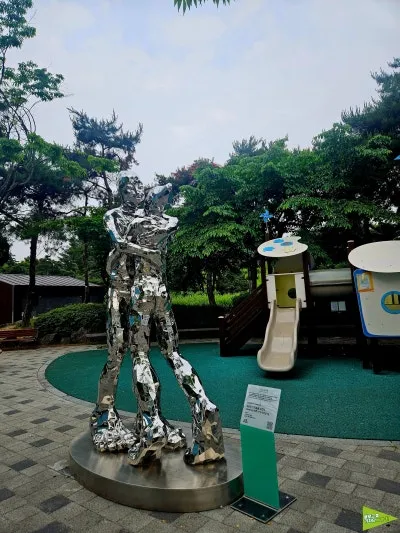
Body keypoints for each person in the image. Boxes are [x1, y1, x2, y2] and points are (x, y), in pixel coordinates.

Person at [90, 175, 225, 466]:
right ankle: (105, 414)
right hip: (121, 291)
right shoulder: (116, 216)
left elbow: (124, 246)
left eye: (139, 188)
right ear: (121, 191)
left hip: (141, 291)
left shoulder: (142, 220)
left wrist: (135, 251)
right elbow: (117, 246)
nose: (135, 192)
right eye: (130, 188)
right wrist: (149, 253)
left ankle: (151, 422)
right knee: (118, 353)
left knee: (142, 354)